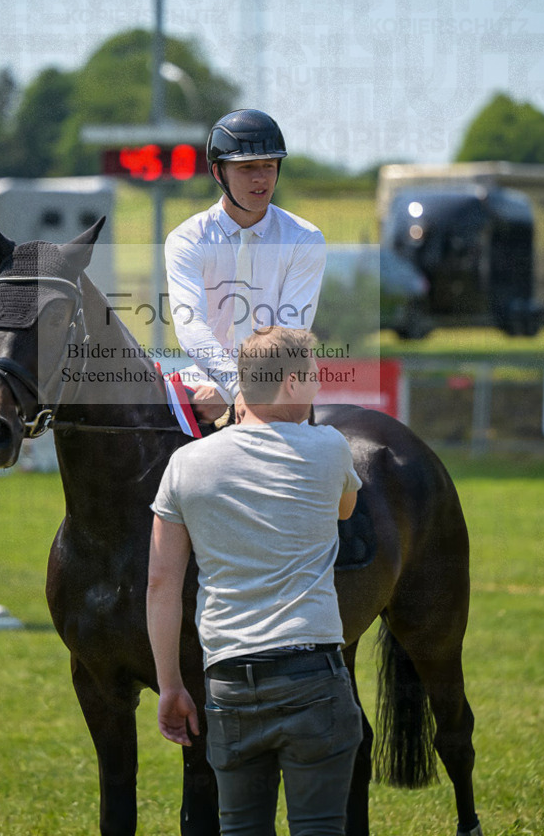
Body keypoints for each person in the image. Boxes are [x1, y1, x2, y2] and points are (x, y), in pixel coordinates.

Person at [147, 327, 363, 836]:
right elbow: (345, 508)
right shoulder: (330, 448)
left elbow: (161, 583)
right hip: (315, 678)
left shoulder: (185, 464)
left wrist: (171, 685)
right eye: (312, 372)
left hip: (229, 685)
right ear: (292, 384)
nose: (319, 381)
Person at [164, 108, 326, 424]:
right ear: (218, 173)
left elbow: (288, 332)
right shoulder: (186, 239)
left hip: (277, 385)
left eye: (269, 166)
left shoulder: (304, 238)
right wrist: (229, 387)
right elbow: (190, 324)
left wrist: (234, 393)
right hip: (203, 383)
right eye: (247, 167)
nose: (260, 178)